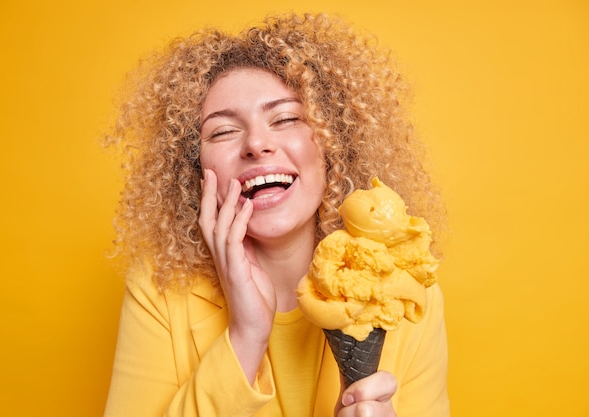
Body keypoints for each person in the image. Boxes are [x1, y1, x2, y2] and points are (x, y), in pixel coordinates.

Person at [103, 12, 449, 417]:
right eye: (223, 131)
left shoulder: (405, 294)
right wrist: (246, 335)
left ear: (333, 144)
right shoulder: (160, 289)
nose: (256, 144)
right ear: (194, 168)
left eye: (285, 119)